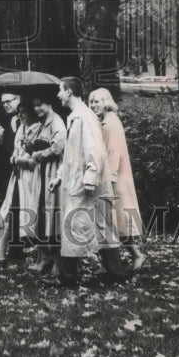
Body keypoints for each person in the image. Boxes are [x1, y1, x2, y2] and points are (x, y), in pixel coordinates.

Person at [48, 77, 125, 287]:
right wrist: (59, 177)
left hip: (87, 186)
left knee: (91, 228)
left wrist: (90, 179)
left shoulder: (85, 117)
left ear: (70, 92)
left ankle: (73, 277)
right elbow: (71, 155)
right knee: (89, 228)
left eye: (60, 91)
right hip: (78, 183)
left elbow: (95, 151)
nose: (58, 95)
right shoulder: (76, 116)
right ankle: (112, 274)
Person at [89, 87, 146, 271]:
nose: (93, 105)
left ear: (106, 101)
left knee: (120, 220)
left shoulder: (111, 122)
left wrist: (111, 179)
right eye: (91, 102)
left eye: (96, 101)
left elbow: (114, 152)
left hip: (116, 179)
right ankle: (112, 261)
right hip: (111, 177)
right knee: (113, 221)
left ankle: (137, 255)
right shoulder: (104, 121)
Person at [0, 94, 38, 264]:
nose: (6, 105)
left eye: (9, 101)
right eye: (3, 103)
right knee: (11, 209)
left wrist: (17, 154)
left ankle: (11, 250)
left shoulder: (35, 127)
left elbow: (31, 153)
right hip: (14, 173)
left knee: (18, 210)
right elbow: (11, 149)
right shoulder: (8, 121)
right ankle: (10, 250)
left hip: (28, 175)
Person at [21, 93, 66, 276]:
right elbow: (34, 145)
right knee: (40, 214)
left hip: (53, 172)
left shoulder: (56, 122)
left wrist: (38, 154)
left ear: (49, 103)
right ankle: (42, 258)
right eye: (34, 105)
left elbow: (58, 147)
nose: (37, 108)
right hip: (41, 173)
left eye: (40, 104)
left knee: (52, 216)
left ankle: (56, 261)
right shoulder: (42, 123)